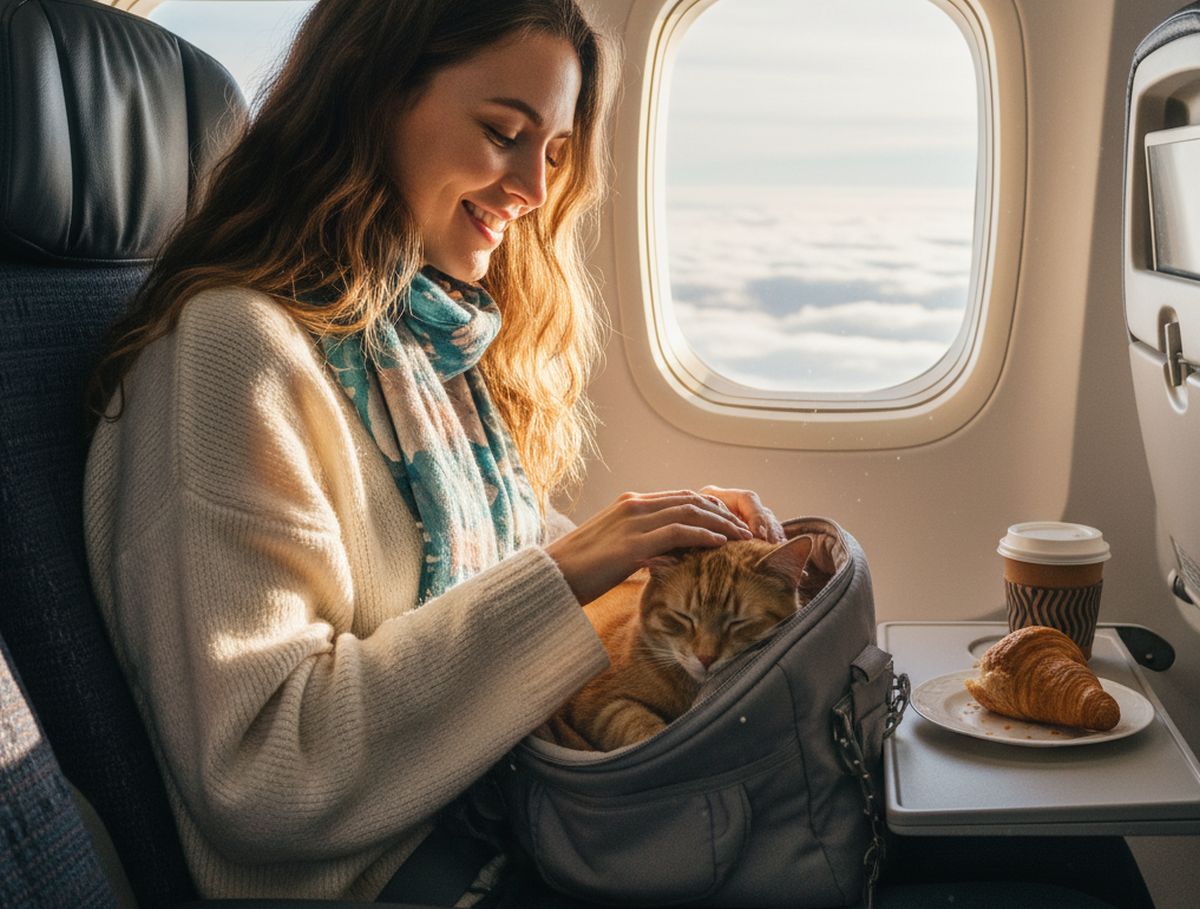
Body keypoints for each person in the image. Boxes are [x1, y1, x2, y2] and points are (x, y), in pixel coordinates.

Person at [82, 0, 783, 904]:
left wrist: (669, 552)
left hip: (500, 814)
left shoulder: (417, 350)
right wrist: (569, 571)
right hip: (397, 877)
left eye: (556, 152)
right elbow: (261, 770)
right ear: (375, 99)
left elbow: (497, 568)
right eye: (503, 132)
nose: (534, 187)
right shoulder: (234, 352)